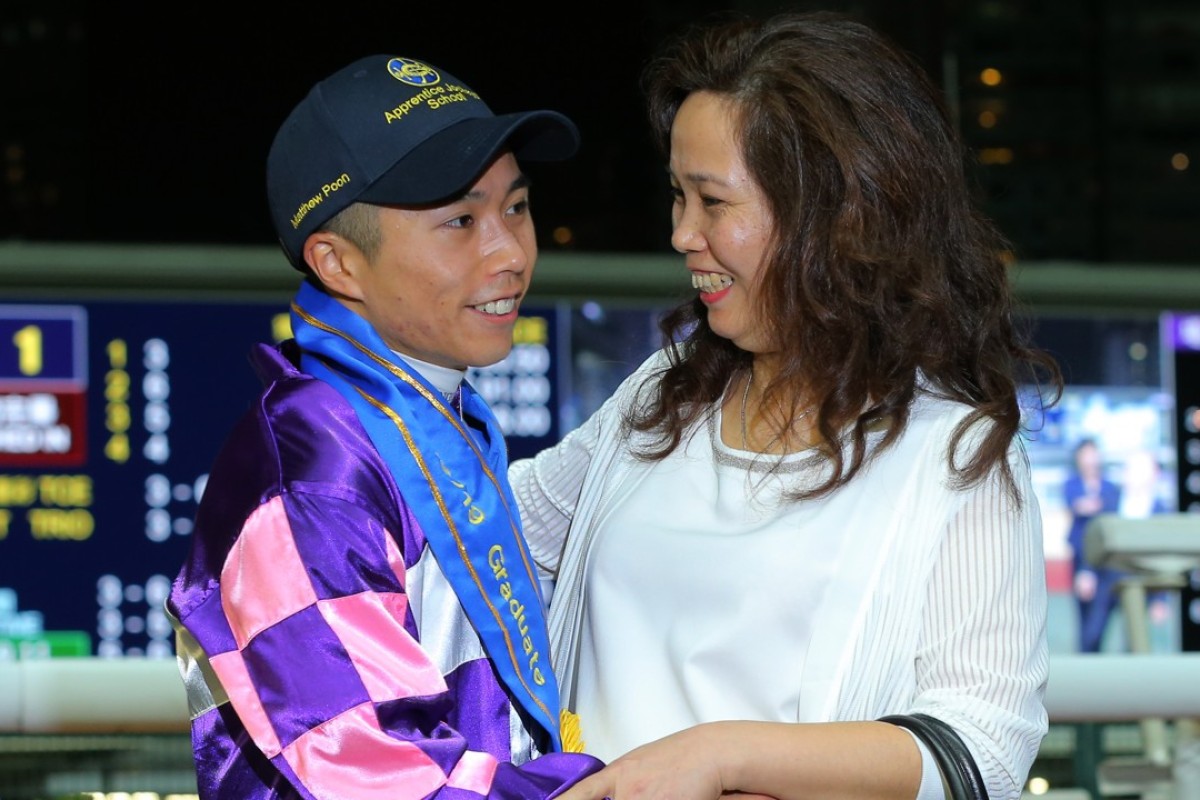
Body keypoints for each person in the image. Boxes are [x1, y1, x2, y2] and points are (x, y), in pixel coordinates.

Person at [510, 10, 1063, 800]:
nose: (681, 234)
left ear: (835, 216)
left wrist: (721, 755)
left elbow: (984, 749)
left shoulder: (955, 455)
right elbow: (485, 541)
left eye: (712, 202)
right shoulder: (660, 395)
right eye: (677, 196)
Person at [166, 54, 604, 798]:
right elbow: (376, 777)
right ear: (337, 263)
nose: (510, 253)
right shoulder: (314, 473)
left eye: (517, 207)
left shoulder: (421, 412)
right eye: (461, 221)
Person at [1064, 437, 1123, 652]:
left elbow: (1109, 511)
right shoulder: (1071, 483)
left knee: (1099, 619)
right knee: (1083, 615)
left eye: (1092, 454)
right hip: (1080, 557)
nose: (1089, 459)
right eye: (1085, 454)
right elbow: (1077, 506)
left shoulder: (1110, 487)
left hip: (1105, 563)